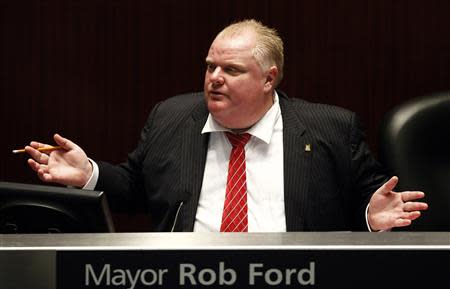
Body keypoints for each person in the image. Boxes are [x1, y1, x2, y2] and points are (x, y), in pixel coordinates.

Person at [24, 19, 428, 232]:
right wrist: (87, 174)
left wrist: (369, 219)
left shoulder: (329, 128)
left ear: (269, 79)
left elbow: (371, 204)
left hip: (296, 280)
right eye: (210, 66)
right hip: (189, 278)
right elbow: (135, 189)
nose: (214, 77)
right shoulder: (172, 117)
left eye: (231, 69)